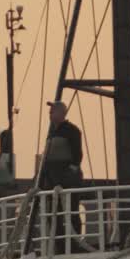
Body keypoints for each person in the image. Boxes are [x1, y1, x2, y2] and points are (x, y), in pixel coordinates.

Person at [39, 101, 84, 248]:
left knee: (72, 211)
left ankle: (75, 243)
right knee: (54, 212)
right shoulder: (52, 132)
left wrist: (69, 174)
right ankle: (57, 243)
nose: (50, 113)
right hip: (52, 178)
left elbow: (77, 154)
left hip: (66, 178)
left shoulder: (72, 130)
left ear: (61, 113)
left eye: (53, 111)